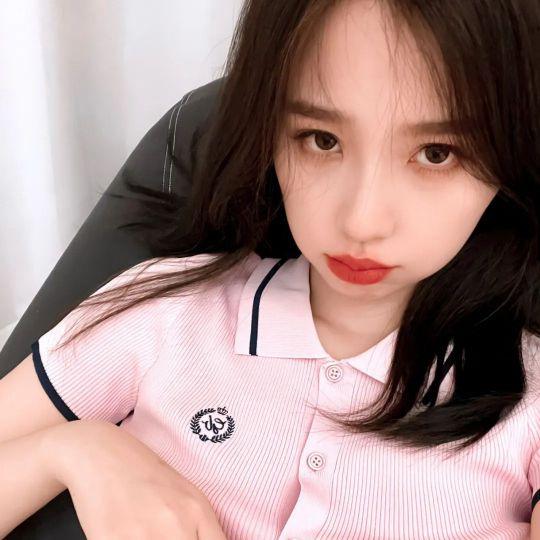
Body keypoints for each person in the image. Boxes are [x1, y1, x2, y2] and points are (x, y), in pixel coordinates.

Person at [1, 0, 539, 538]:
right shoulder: (163, 314)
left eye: (438, 153)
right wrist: (72, 451)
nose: (362, 220)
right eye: (322, 140)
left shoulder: (531, 394)